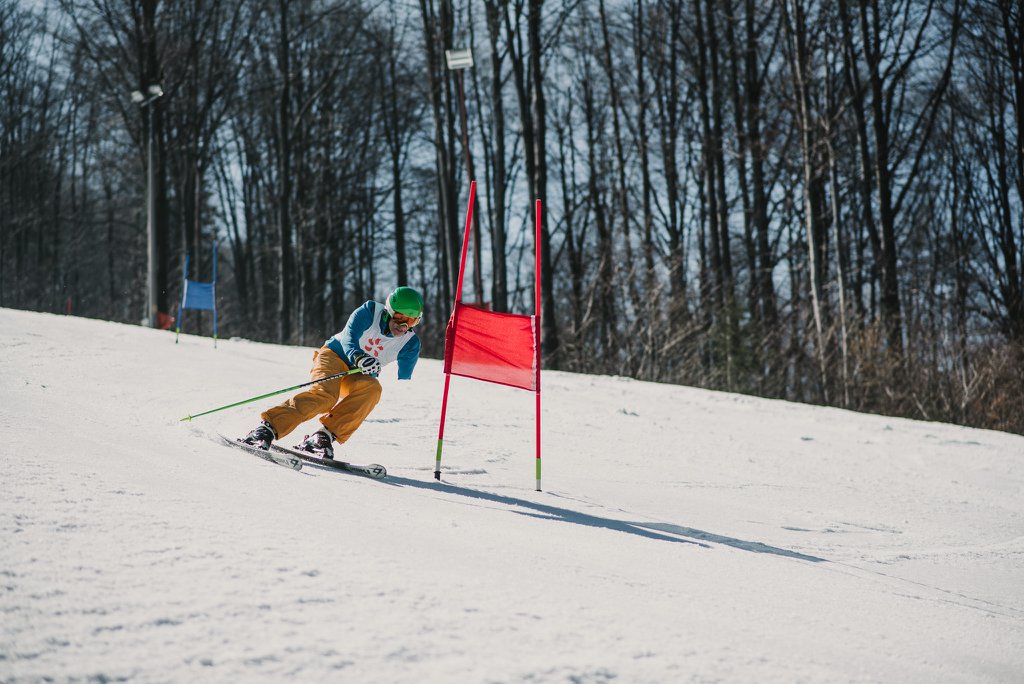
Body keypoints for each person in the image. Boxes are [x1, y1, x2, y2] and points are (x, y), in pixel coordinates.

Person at [243, 286, 423, 459]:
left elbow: (404, 375)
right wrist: (359, 357)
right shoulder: (370, 311)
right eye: (399, 317)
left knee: (373, 389)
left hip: (357, 373)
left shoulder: (410, 344)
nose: (403, 325)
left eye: (411, 320)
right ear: (389, 311)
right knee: (325, 396)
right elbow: (348, 338)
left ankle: (322, 437)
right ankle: (266, 428)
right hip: (334, 355)